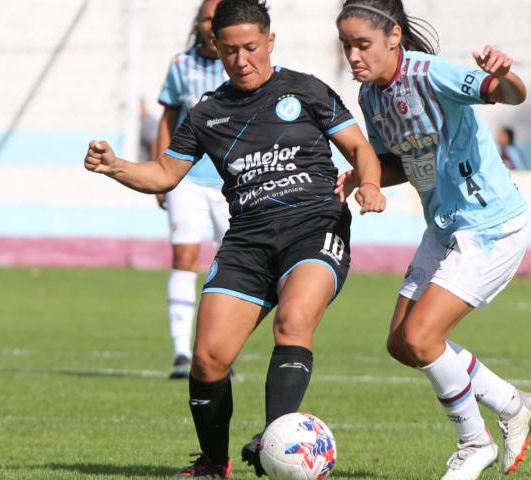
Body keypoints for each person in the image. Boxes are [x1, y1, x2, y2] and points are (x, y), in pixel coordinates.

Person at [84, 0, 386, 478]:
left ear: (270, 41)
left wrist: (368, 184)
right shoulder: (209, 111)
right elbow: (164, 173)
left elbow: (358, 148)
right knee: (207, 359)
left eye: (250, 47)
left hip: (314, 227)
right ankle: (213, 462)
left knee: (293, 322)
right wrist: (116, 165)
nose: (241, 59)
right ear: (215, 49)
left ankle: (275, 442)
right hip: (248, 239)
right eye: (229, 51)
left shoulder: (306, 90)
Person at [335, 2, 531, 479]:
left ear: (394, 35)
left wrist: (504, 73)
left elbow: (508, 94)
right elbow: (397, 162)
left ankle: (475, 443)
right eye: (346, 46)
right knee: (401, 343)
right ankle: (513, 405)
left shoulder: (431, 74)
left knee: (422, 337)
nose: (353, 56)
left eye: (362, 44)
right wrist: (362, 177)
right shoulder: (371, 96)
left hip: (490, 224)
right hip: (446, 227)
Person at [155, 0, 232, 379]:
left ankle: (220, 353)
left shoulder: (239, 65)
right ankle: (182, 352)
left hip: (232, 181)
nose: (210, 25)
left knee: (232, 266)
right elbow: (168, 119)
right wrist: (161, 172)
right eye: (206, 18)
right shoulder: (180, 66)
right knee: (185, 258)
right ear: (199, 24)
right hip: (186, 179)